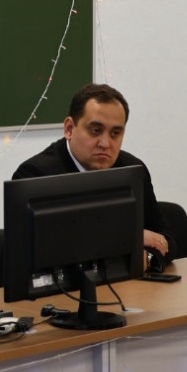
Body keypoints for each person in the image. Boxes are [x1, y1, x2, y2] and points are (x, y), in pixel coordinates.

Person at [12, 83, 172, 270]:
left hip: (127, 286)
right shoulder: (34, 176)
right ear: (69, 129)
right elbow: (41, 252)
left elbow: (163, 239)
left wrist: (148, 259)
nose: (105, 143)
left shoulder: (133, 169)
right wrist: (128, 237)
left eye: (115, 133)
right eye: (96, 130)